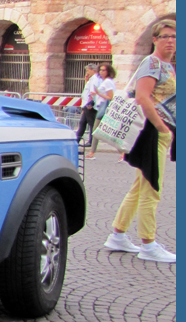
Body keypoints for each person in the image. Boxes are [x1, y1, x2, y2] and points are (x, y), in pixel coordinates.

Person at [104, 22, 176, 263]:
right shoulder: (152, 63)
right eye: (165, 36)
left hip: (156, 131)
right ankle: (148, 243)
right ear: (155, 39)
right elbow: (143, 97)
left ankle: (118, 234)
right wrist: (162, 128)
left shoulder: (167, 66)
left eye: (174, 37)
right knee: (152, 188)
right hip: (152, 132)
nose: (170, 41)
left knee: (140, 186)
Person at [85, 62, 116, 158]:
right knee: (102, 131)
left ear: (108, 71)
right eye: (100, 70)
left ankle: (92, 152)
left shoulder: (107, 82)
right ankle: (92, 152)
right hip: (100, 107)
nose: (101, 72)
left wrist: (98, 93)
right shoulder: (104, 81)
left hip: (104, 108)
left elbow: (110, 97)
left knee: (96, 131)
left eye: (104, 70)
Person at [75, 63, 99, 145]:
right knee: (82, 122)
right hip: (86, 104)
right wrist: (86, 80)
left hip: (89, 105)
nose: (87, 72)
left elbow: (92, 92)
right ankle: (77, 139)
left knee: (91, 123)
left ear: (93, 70)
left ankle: (91, 141)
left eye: (88, 70)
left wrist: (89, 103)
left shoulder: (95, 78)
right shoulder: (91, 79)